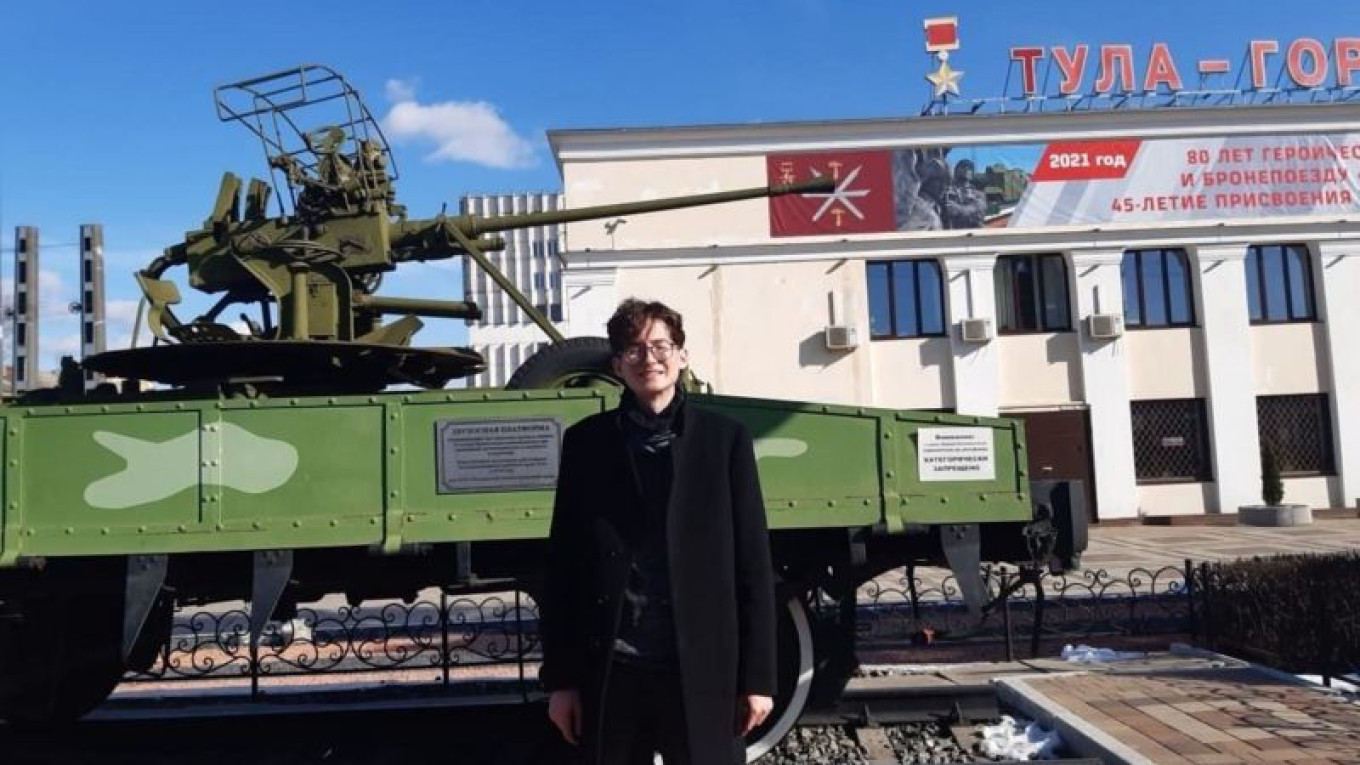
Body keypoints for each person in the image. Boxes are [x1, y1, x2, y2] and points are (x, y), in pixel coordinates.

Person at [540, 298, 777, 765]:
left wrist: (758, 680)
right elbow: (563, 568)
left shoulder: (724, 441)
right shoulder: (587, 444)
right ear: (617, 366)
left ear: (682, 355)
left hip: (702, 672)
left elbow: (752, 564)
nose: (648, 358)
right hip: (614, 670)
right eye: (633, 349)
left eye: (660, 345)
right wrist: (562, 683)